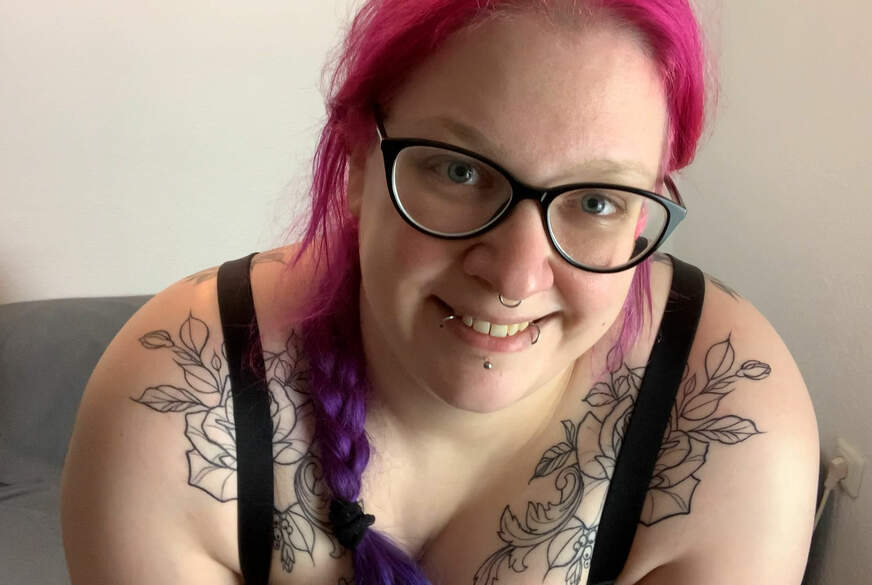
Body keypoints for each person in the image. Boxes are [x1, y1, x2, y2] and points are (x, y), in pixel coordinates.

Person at [60, 1, 820, 584]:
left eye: (597, 201)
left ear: (643, 213)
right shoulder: (176, 401)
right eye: (460, 171)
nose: (516, 276)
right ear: (358, 164)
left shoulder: (731, 421)